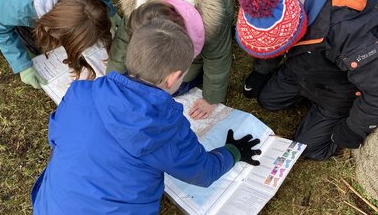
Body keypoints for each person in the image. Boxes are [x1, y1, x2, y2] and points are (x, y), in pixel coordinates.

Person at [31, 19, 261, 214]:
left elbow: (56, 136)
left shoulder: (80, 92)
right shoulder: (163, 126)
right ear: (172, 79)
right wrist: (233, 151)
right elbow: (202, 173)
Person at [235, 0, 378, 160]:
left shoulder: (348, 31)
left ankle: (332, 117)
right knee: (267, 100)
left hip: (339, 90)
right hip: (301, 68)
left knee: (310, 149)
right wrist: (261, 72)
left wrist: (354, 128)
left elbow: (376, 90)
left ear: (298, 32)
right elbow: (271, 43)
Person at [106, 0, 234, 119]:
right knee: (138, 78)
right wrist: (112, 79)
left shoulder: (214, 16)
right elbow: (122, 42)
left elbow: (218, 58)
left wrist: (211, 98)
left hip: (196, 51)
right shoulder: (140, 12)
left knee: (165, 86)